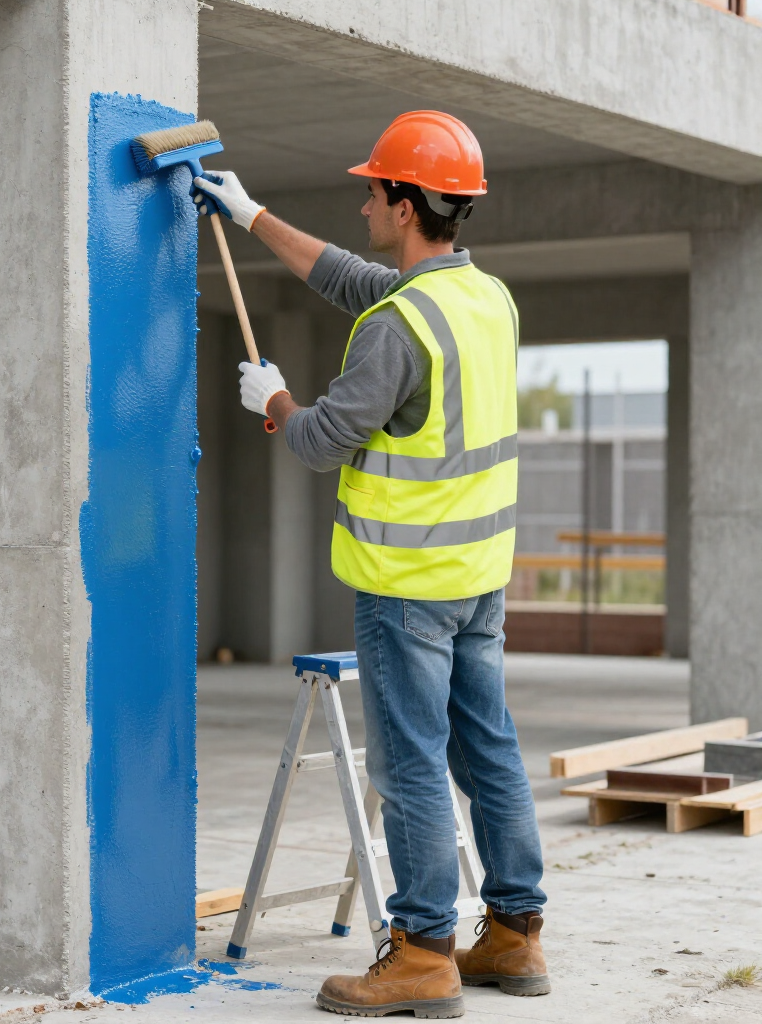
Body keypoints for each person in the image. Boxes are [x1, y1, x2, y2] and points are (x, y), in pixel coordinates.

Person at [191, 111, 549, 1019]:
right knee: (489, 750)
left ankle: (423, 954)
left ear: (405, 205)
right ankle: (515, 934)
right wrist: (250, 215)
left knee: (413, 766)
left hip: (406, 589)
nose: (361, 205)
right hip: (478, 579)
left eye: (373, 191)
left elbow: (319, 441)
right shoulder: (484, 299)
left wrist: (275, 401)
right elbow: (356, 281)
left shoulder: (396, 328)